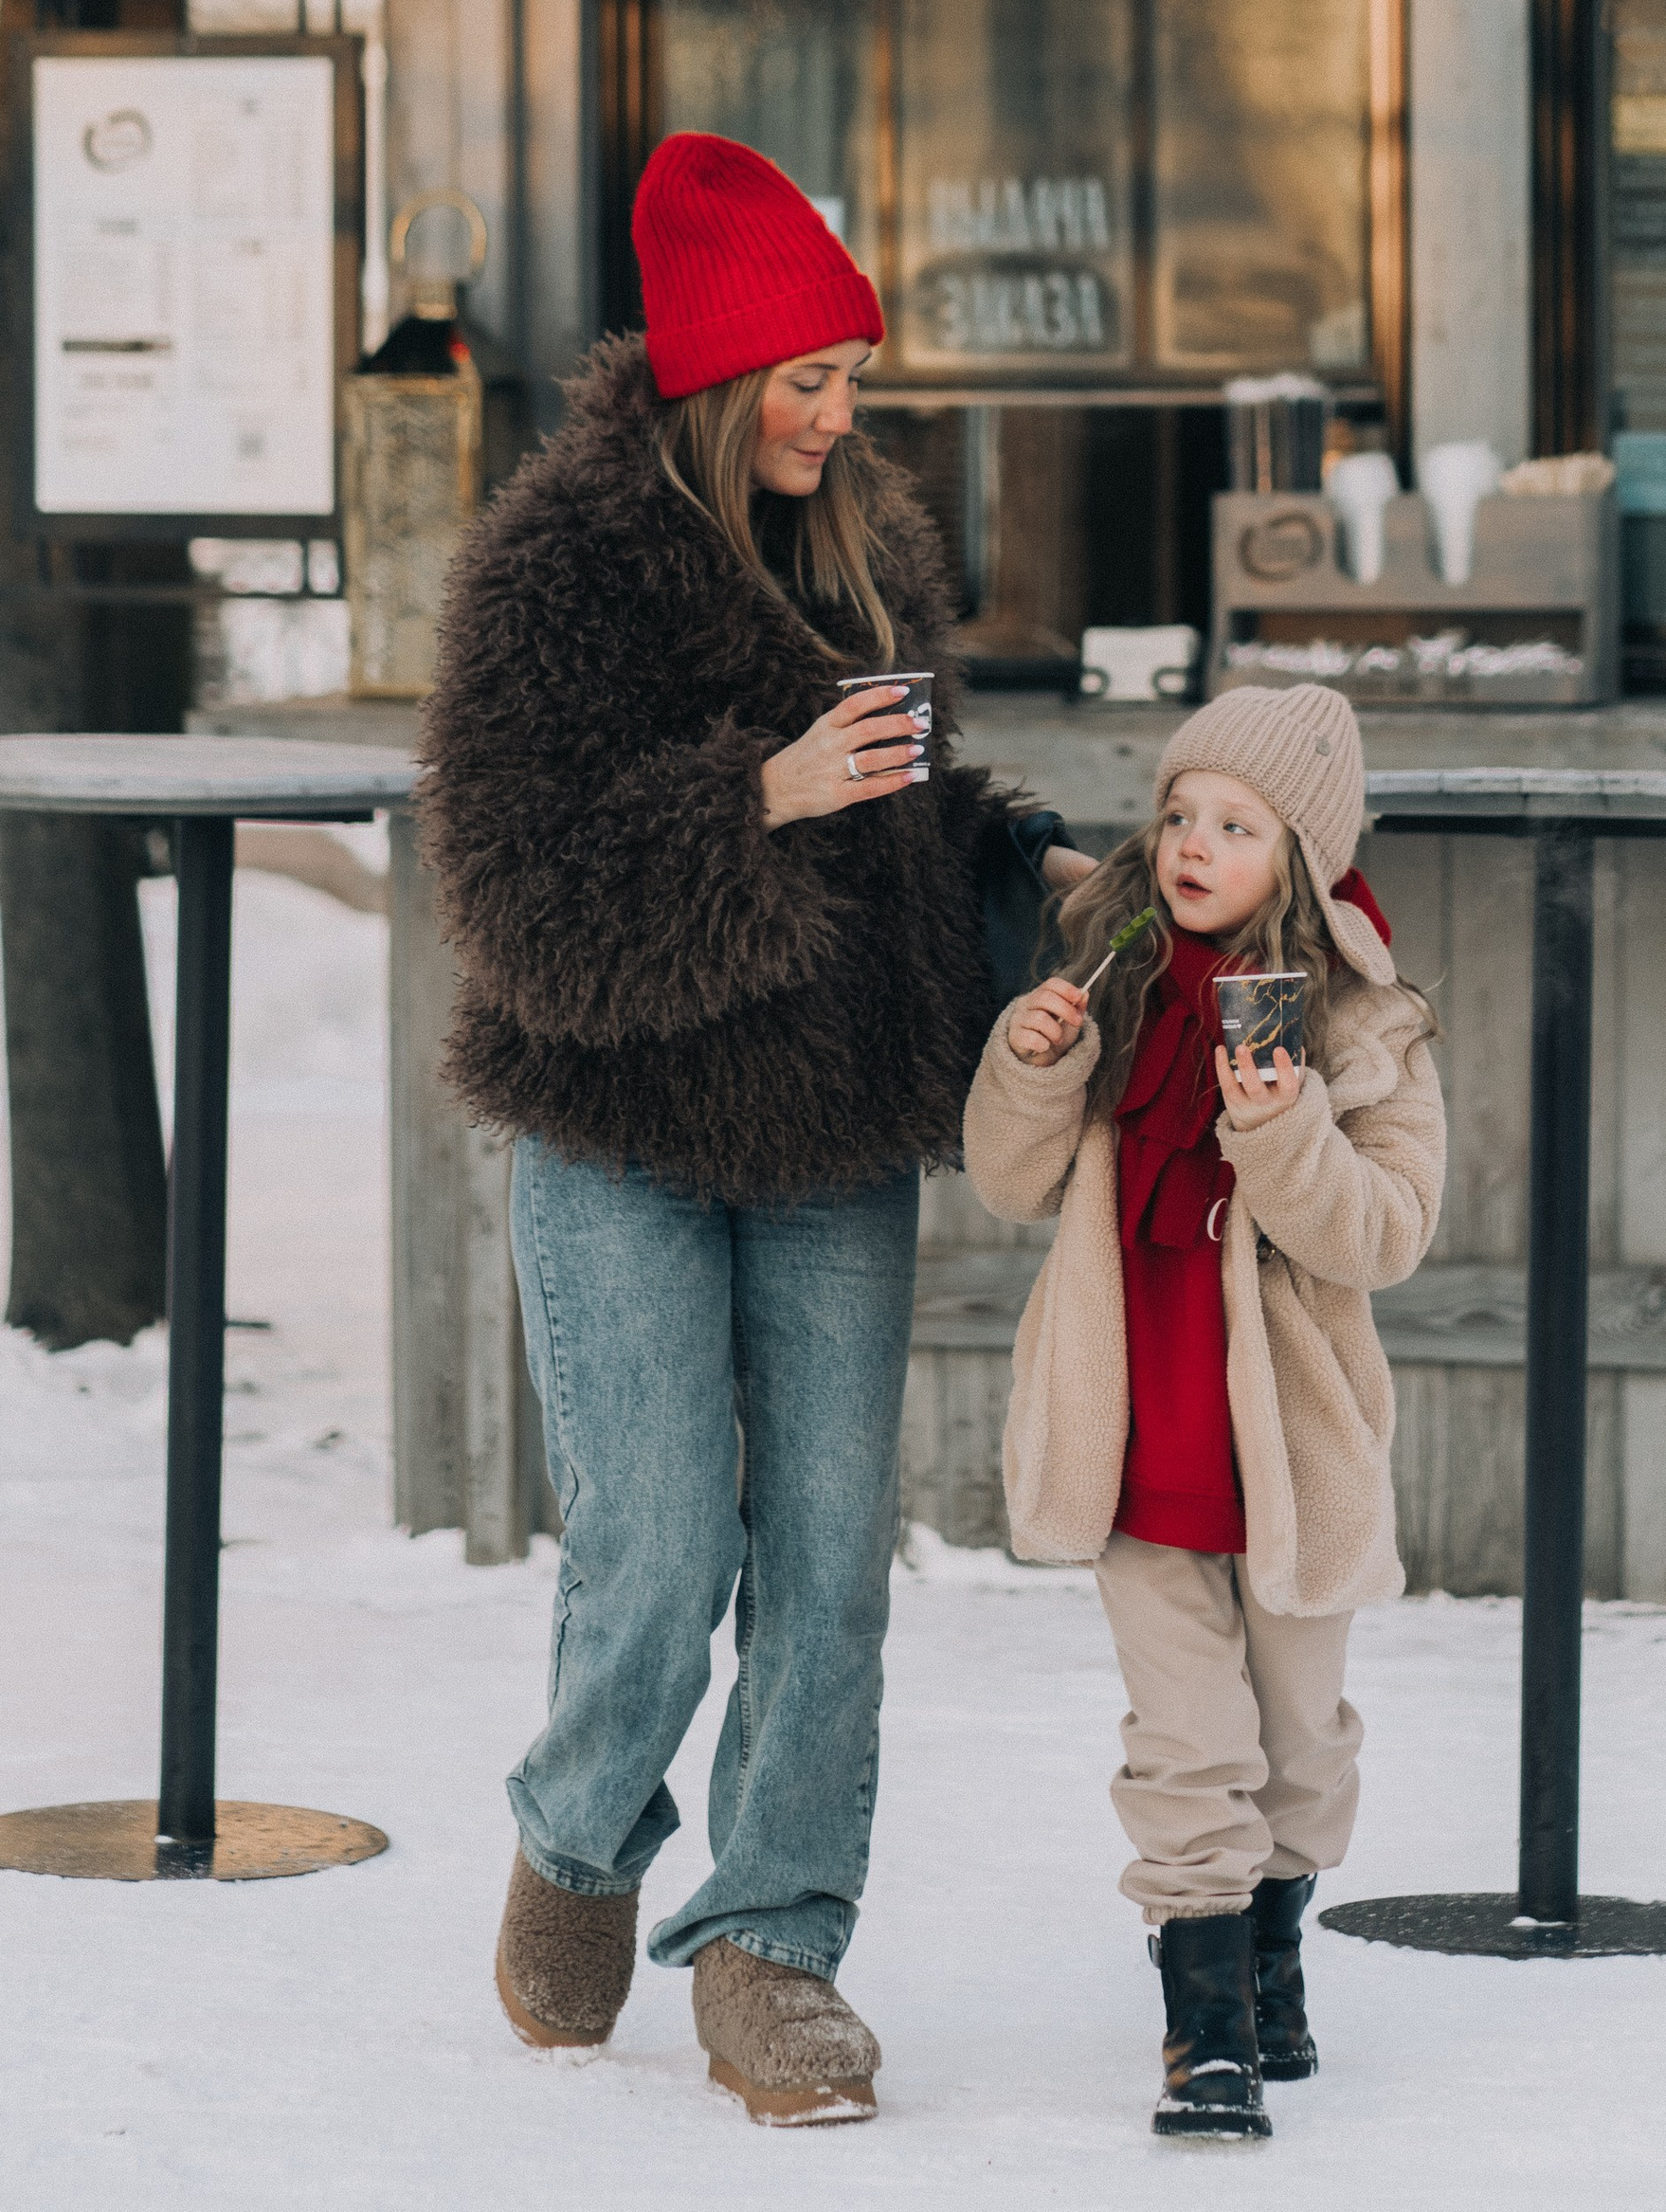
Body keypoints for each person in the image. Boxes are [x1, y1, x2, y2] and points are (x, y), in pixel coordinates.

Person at [418, 133, 1088, 2127]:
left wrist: (1017, 856)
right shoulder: (557, 571)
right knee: (652, 1551)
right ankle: (576, 1827)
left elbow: (905, 816)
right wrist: (755, 803)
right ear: (714, 379)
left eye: (852, 379)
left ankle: (776, 1942)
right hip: (616, 1118)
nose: (837, 413)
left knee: (824, 1559)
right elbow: (511, 894)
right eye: (806, 381)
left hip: (829, 1135)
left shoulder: (865, 549)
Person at [962, 683, 1445, 2145]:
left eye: (1235, 825)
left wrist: (1283, 1118)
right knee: (1188, 1744)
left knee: (1300, 1744)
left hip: (1291, 1449)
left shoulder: (1364, 1023)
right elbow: (1008, 1180)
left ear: (1296, 855)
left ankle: (1276, 1954)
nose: (1192, 844)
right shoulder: (1114, 981)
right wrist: (1031, 1066)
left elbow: (1385, 1234)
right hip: (1138, 1432)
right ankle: (1207, 2033)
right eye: (1179, 813)